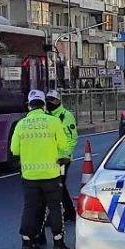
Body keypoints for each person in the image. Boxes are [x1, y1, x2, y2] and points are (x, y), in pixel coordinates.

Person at [11, 89, 73, 249]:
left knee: (30, 208)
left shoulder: (21, 124)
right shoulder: (53, 122)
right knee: (55, 207)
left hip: (29, 176)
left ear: (29, 106)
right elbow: (64, 146)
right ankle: (58, 244)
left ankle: (27, 243)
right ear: (44, 105)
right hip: (51, 174)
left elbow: (14, 149)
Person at [46, 88, 79, 222]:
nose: (49, 102)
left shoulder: (65, 116)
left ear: (58, 101)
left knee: (58, 185)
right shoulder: (46, 115)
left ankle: (58, 215)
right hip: (49, 158)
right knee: (58, 185)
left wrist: (65, 156)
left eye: (52, 100)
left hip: (62, 159)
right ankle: (69, 212)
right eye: (47, 100)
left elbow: (72, 138)